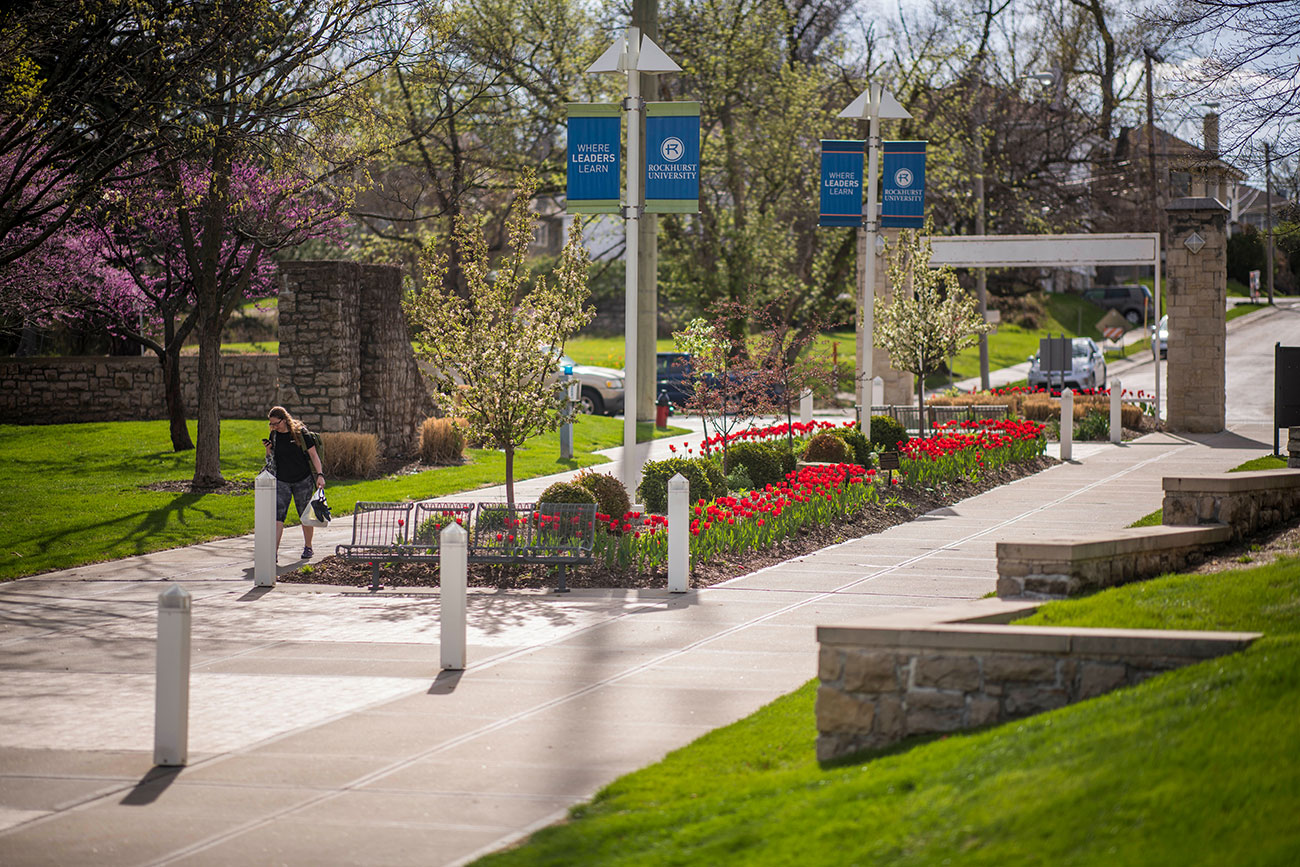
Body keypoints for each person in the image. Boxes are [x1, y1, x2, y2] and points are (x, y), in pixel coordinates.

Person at [264, 405, 325, 560]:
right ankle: (273, 553)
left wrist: (320, 475)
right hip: (282, 481)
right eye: (271, 424)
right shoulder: (274, 435)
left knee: (305, 516)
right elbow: (272, 460)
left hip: (302, 480)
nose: (274, 427)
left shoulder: (301, 434)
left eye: (276, 423)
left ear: (284, 420)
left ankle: (308, 547)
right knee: (278, 518)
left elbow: (313, 455)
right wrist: (268, 449)